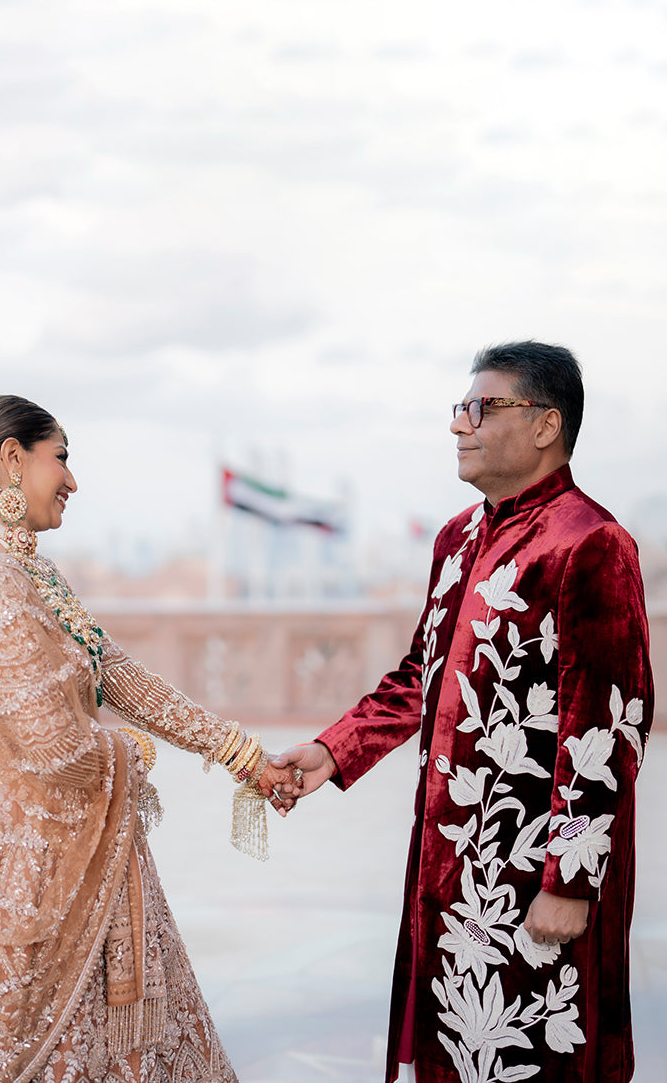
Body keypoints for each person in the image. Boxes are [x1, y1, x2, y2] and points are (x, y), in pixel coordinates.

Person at [0, 395, 292, 1083]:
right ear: (12, 458)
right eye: (60, 457)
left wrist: (242, 754)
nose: (72, 480)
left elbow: (118, 674)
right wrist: (135, 753)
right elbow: (55, 749)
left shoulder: (33, 575)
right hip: (27, 879)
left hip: (82, 854)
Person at [276, 342, 654, 1083]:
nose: (461, 425)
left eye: (483, 408)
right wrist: (333, 752)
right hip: (450, 866)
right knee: (450, 1049)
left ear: (546, 426)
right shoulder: (459, 539)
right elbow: (423, 672)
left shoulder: (590, 542)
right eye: (461, 408)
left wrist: (569, 880)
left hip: (534, 872)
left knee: (538, 1054)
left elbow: (608, 729)